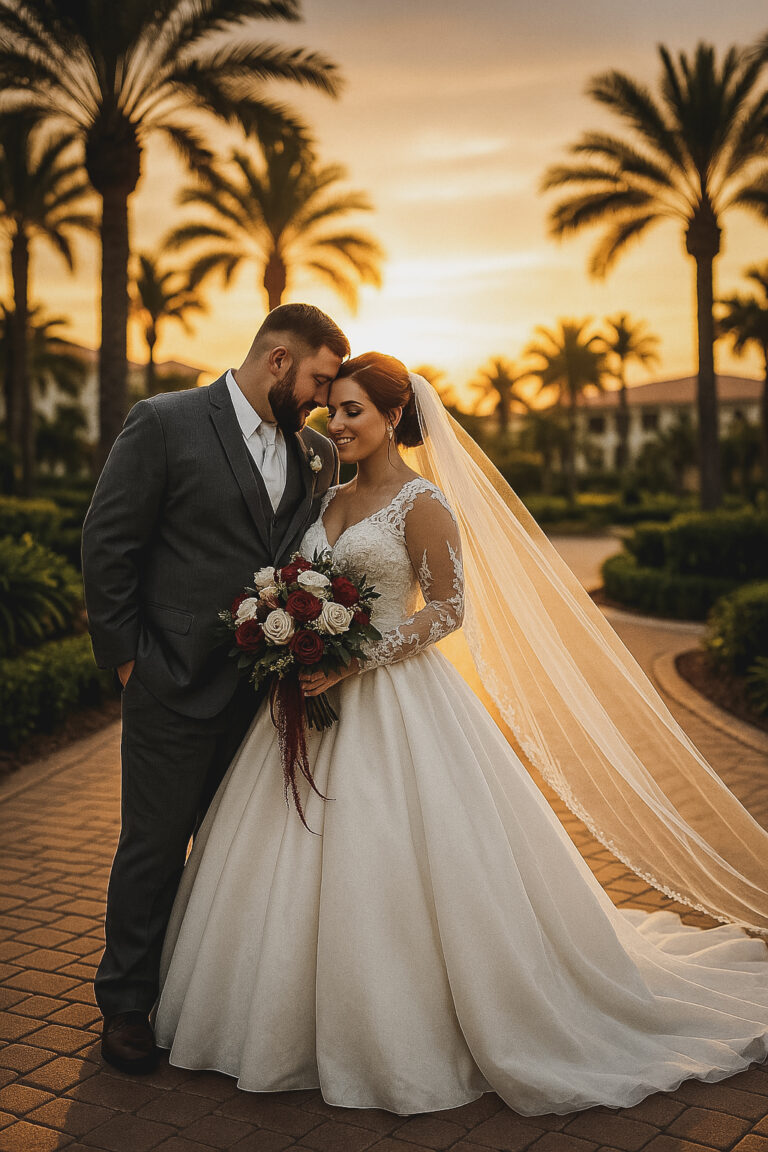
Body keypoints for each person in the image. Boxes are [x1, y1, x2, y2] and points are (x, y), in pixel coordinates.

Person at [154, 353, 768, 1116]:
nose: (336, 424)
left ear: (393, 417)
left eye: (352, 412)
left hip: (393, 700)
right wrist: (288, 631)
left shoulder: (423, 502)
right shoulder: (326, 495)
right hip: (306, 703)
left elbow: (447, 609)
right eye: (332, 410)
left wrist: (352, 660)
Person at [81, 303, 349, 1075]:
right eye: (320, 380)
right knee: (155, 847)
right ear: (277, 362)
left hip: (266, 701)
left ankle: (198, 997)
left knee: (234, 856)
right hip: (170, 681)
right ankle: (127, 1005)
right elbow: (108, 540)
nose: (325, 400)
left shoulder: (319, 455)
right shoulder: (165, 422)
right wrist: (131, 663)